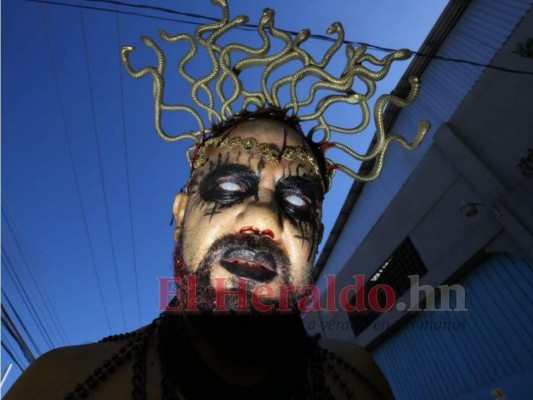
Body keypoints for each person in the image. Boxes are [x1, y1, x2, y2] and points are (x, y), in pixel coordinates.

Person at [6, 1, 428, 397]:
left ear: (314, 242)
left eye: (297, 204)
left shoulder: (358, 381)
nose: (264, 217)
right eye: (229, 188)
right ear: (182, 211)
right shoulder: (62, 384)